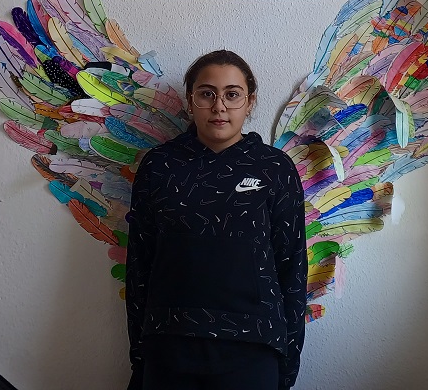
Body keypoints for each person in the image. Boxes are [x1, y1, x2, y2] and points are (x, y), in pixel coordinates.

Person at [125, 50, 307, 390]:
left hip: (253, 347)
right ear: (190, 101)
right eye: (207, 94)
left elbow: (292, 267)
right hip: (169, 343)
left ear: (250, 102)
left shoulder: (274, 169)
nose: (219, 106)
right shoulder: (159, 166)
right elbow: (139, 263)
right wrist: (139, 349)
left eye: (232, 94)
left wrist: (288, 361)